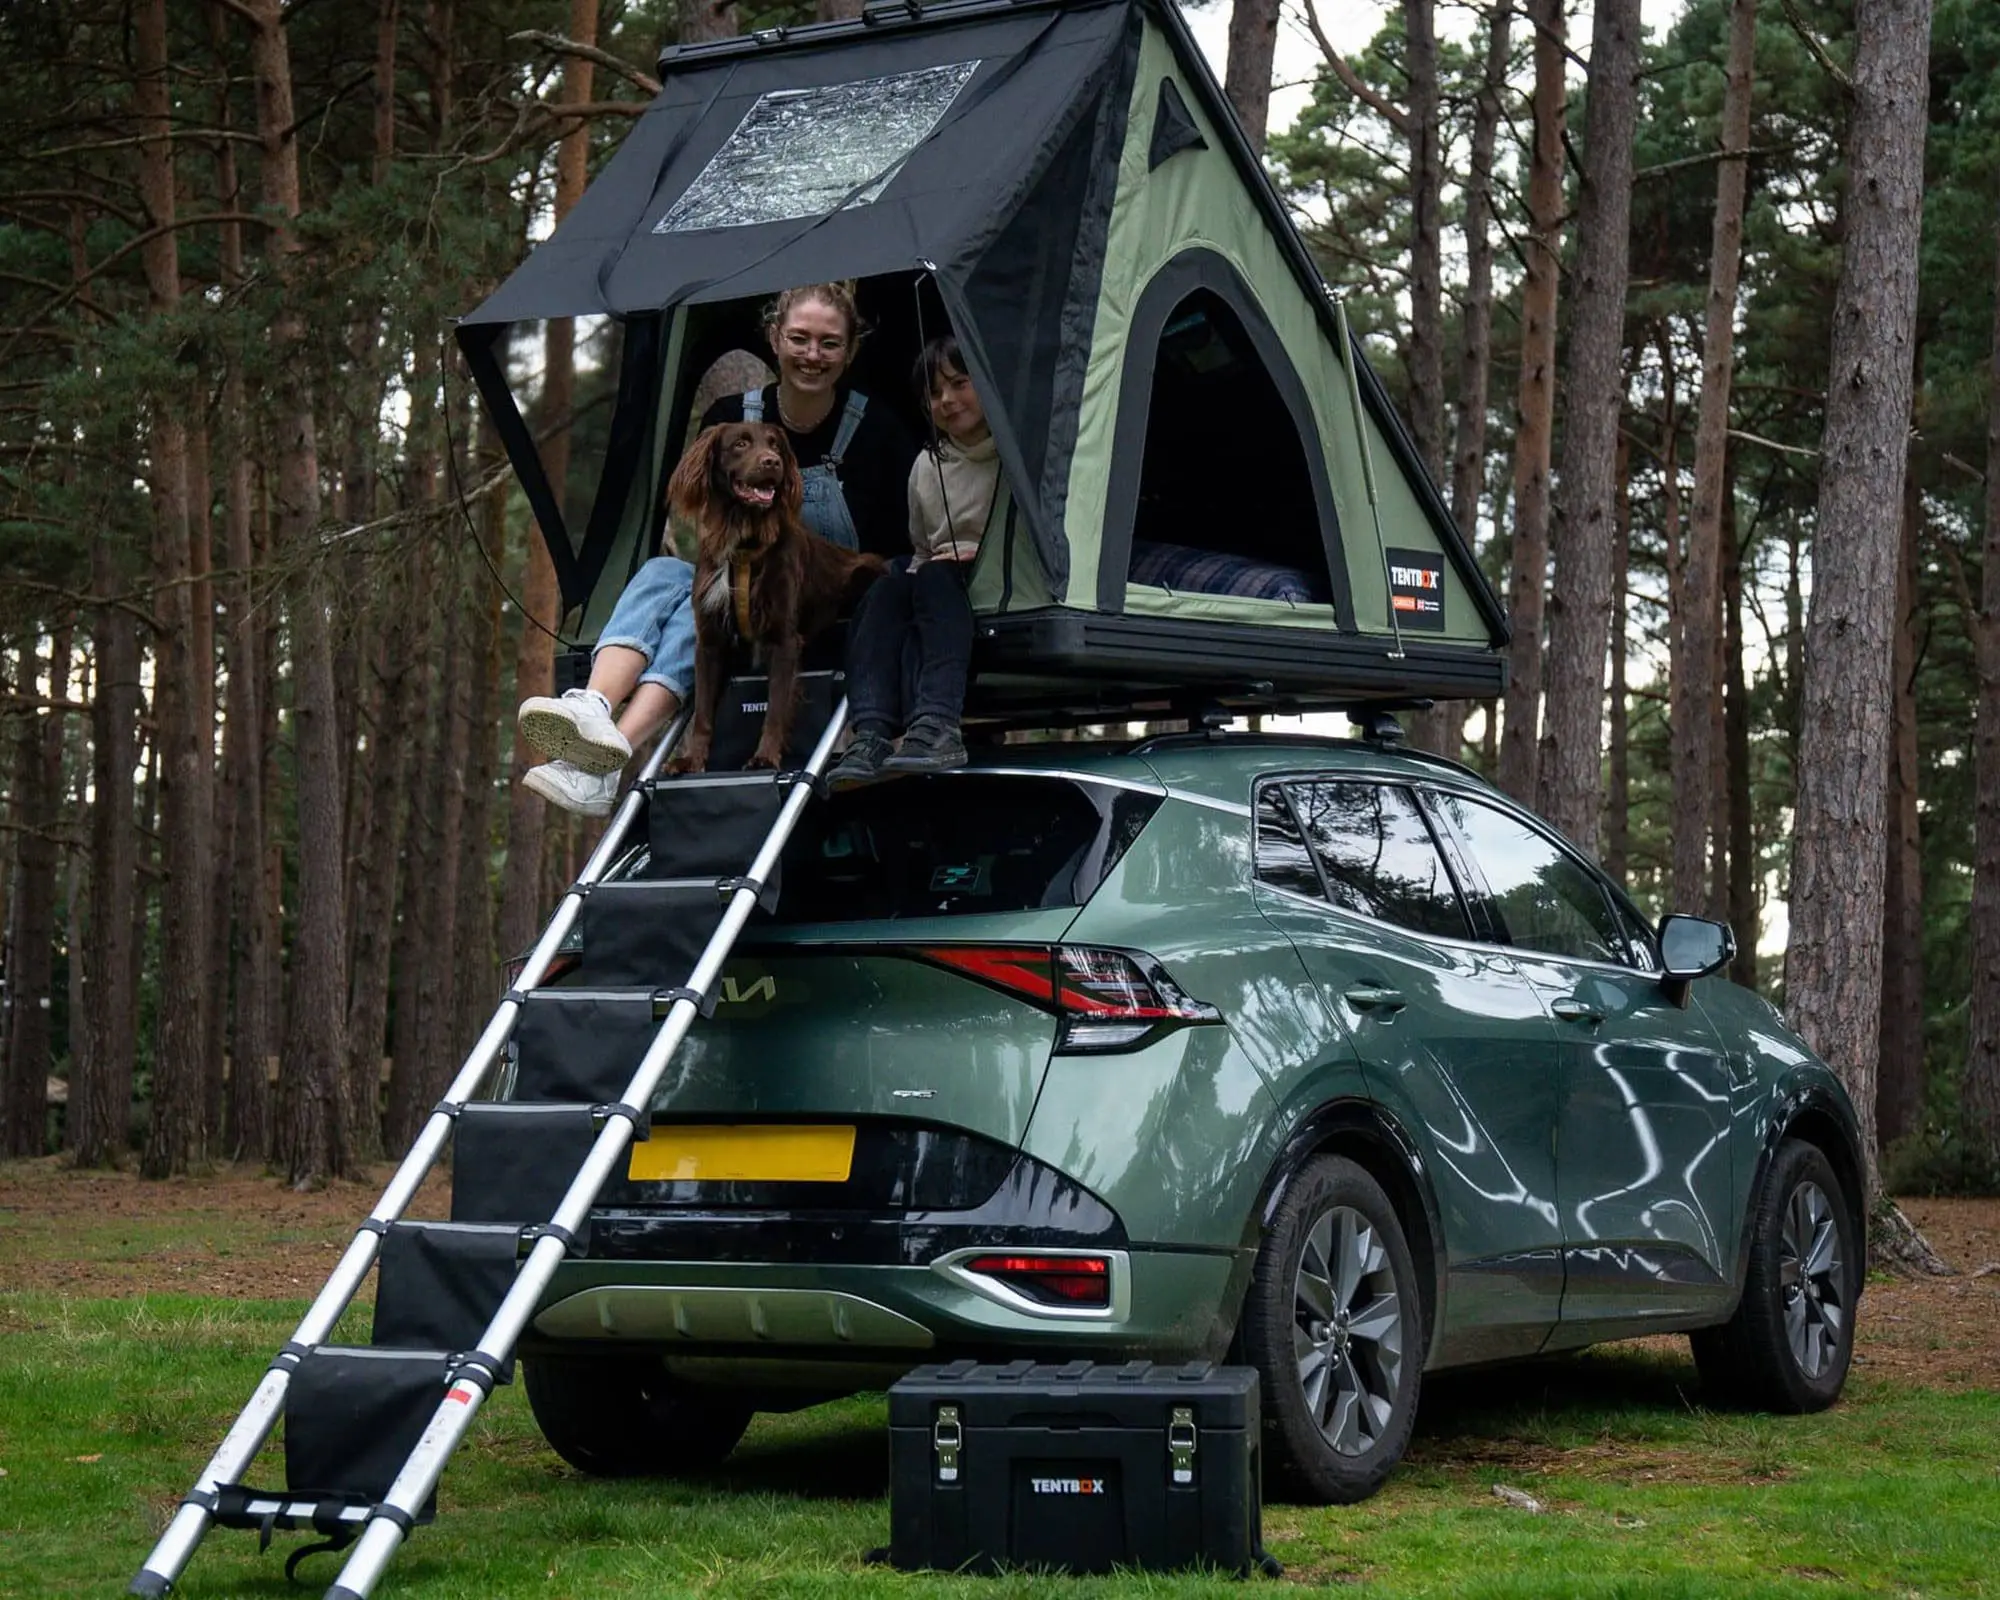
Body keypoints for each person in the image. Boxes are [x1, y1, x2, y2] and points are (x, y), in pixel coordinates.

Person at [516, 281, 916, 814]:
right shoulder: (729, 416)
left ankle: (607, 763)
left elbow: (901, 542)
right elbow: (709, 516)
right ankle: (595, 705)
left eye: (829, 343)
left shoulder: (879, 430)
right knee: (667, 574)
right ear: (775, 339)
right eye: (800, 338)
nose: (812, 355)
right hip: (736, 585)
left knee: (712, 598)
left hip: (820, 600)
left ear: (850, 352)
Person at [827, 334, 999, 785]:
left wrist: (981, 551)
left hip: (1002, 571)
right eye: (934, 393)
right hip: (940, 572)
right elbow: (923, 544)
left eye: (959, 383)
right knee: (888, 579)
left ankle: (939, 721)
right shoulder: (927, 463)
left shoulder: (1015, 456)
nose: (947, 400)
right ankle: (872, 731)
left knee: (937, 575)